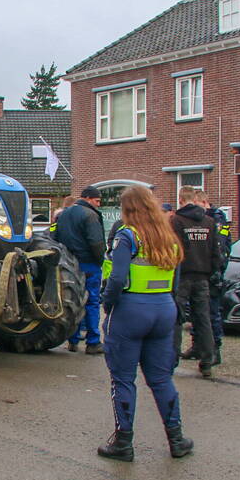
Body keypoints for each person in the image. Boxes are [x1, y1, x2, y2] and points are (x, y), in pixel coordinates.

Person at [97, 185, 193, 461]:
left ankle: (123, 443)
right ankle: (176, 439)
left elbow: (117, 278)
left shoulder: (127, 236)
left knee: (123, 379)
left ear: (127, 209)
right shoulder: (168, 236)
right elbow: (176, 280)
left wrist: (108, 303)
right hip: (163, 309)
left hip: (131, 310)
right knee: (161, 379)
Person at [170, 186, 224, 377]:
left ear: (180, 199)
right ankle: (207, 360)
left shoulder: (176, 220)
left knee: (176, 318)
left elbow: (174, 249)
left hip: (182, 275)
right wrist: (213, 271)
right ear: (195, 199)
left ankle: (172, 359)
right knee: (203, 318)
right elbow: (216, 251)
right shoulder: (209, 221)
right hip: (203, 277)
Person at [54, 185, 106, 355]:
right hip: (88, 264)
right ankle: (93, 342)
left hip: (69, 265)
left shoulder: (63, 215)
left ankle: (73, 340)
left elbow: (56, 238)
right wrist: (99, 261)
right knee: (91, 303)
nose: (98, 204)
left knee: (73, 302)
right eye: (97, 200)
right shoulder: (90, 215)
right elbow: (96, 242)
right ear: (88, 198)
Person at [180, 190, 231, 365]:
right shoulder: (203, 220)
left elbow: (220, 247)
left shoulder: (216, 219)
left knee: (210, 314)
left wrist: (215, 271)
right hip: (201, 273)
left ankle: (214, 350)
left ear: (203, 202)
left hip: (210, 275)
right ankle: (198, 347)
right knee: (197, 314)